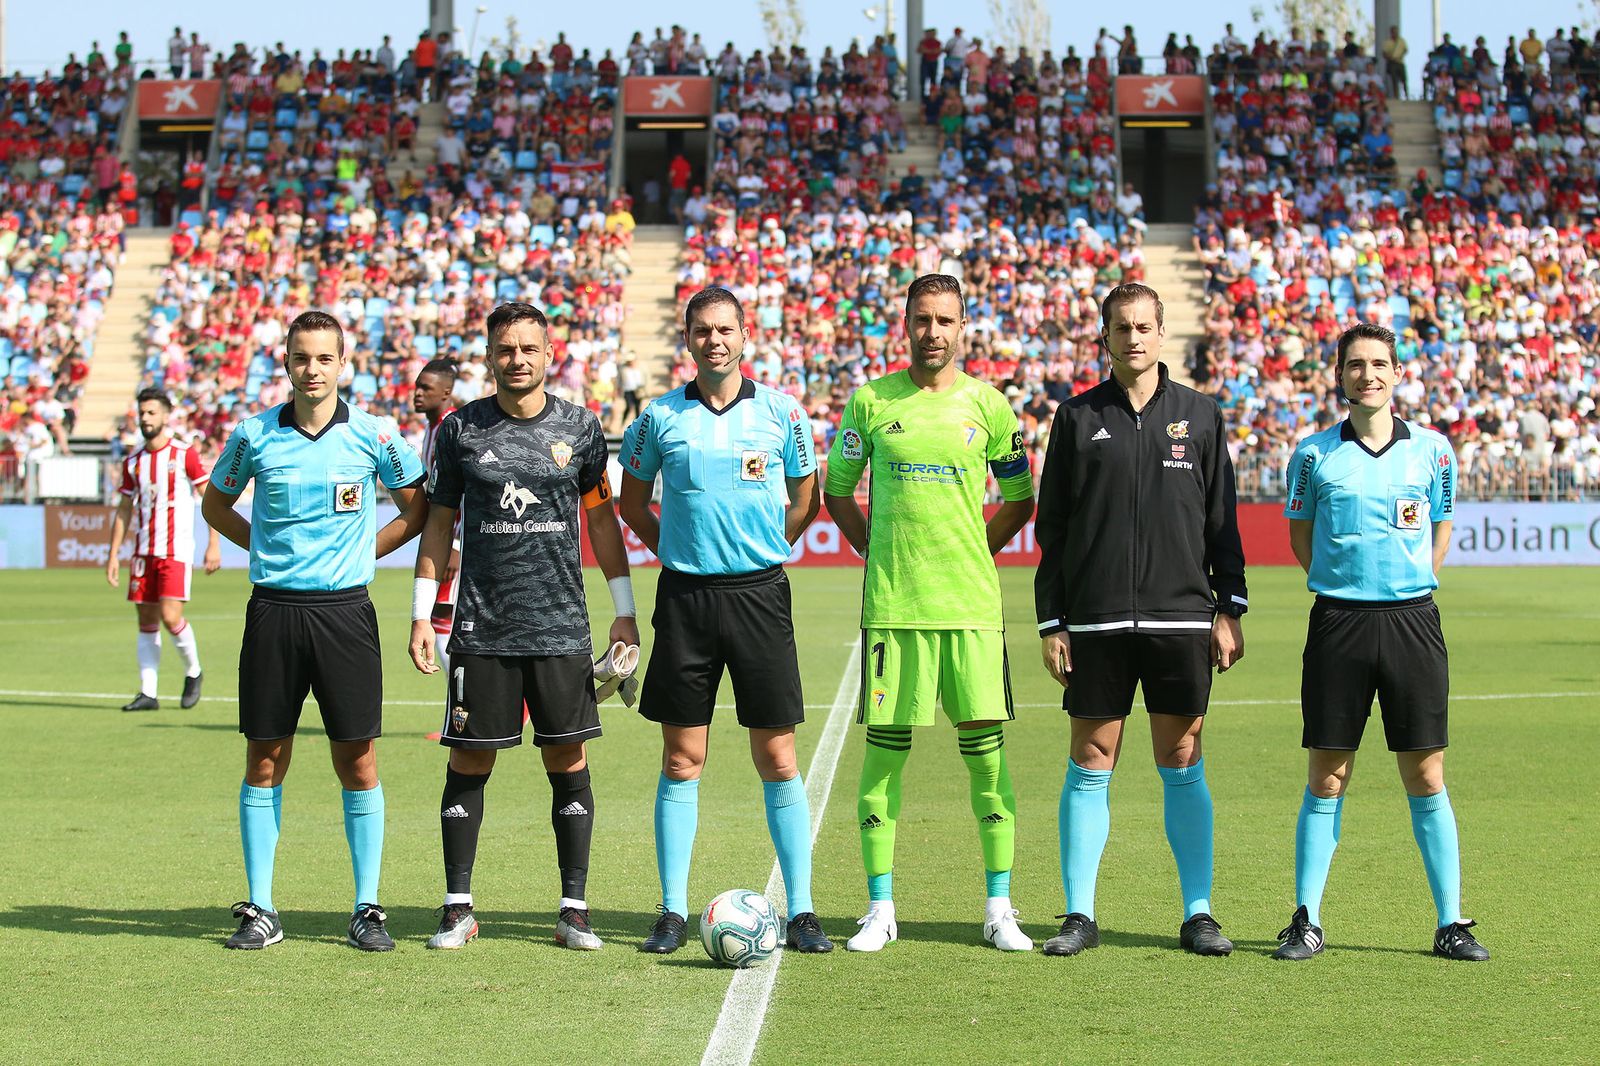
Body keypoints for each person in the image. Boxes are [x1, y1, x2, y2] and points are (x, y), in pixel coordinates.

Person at [408, 302, 639, 952]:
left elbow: (601, 521)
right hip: (481, 630)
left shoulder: (581, 428)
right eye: (505, 349)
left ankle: (574, 910)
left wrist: (623, 609)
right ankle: (457, 908)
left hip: (561, 628)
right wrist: (422, 612)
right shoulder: (460, 430)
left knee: (567, 757)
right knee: (469, 758)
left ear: (548, 354)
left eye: (528, 348)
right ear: (489, 357)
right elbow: (437, 525)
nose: (517, 359)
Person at [823, 273, 1037, 953]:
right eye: (922, 319)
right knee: (884, 762)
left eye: (945, 320)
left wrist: (977, 548)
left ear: (962, 326)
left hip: (970, 609)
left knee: (987, 764)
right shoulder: (870, 401)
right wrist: (870, 548)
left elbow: (1020, 498)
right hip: (894, 610)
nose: (933, 332)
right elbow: (836, 491)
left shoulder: (991, 406)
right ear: (906, 324)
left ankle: (999, 908)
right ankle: (879, 908)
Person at [202, 311, 428, 952]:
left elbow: (418, 510)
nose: (312, 369)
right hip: (273, 610)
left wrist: (363, 552)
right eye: (301, 357)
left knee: (358, 759)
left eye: (324, 358)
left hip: (345, 613)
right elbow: (215, 505)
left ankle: (366, 907)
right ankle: (261, 909)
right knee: (264, 757)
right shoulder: (254, 434)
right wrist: (263, 547)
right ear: (286, 363)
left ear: (342, 364)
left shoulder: (374, 434)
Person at [1033, 281, 1247, 958]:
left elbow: (1222, 521)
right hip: (1095, 620)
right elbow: (1053, 528)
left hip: (1181, 617)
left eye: (1143, 326)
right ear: (1105, 337)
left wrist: (1229, 608)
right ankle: (1079, 914)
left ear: (1161, 333)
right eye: (1121, 328)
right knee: (1091, 758)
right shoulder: (1075, 417)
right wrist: (1052, 621)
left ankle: (1198, 913)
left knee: (1181, 757)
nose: (1133, 338)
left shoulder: (1201, 415)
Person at [618, 286, 832, 955]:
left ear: (745, 335)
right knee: (682, 758)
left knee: (778, 755)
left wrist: (767, 544)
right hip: (685, 600)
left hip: (760, 596)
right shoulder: (658, 417)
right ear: (688, 339)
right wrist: (677, 551)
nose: (714, 340)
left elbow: (806, 497)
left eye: (725, 330)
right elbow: (631, 503)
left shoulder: (782, 412)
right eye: (702, 331)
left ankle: (802, 911)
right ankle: (672, 911)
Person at [1273, 323, 1488, 963]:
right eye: (1355, 365)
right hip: (1338, 623)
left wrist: (1410, 581)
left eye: (1378, 364)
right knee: (1327, 775)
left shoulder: (1434, 451)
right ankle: (1306, 919)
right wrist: (1344, 583)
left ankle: (1451, 922)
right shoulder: (1313, 454)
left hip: (1412, 623)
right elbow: (1301, 535)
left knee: (1425, 773)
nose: (1367, 375)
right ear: (1339, 375)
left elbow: (1441, 526)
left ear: (1397, 373)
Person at [106, 388, 221, 711]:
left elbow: (211, 500)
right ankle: (148, 693)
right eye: (142, 413)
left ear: (166, 416)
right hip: (143, 553)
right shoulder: (133, 462)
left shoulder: (184, 454)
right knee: (146, 618)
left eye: (152, 412)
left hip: (175, 550)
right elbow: (124, 510)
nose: (146, 418)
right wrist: (113, 554)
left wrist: (213, 543)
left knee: (171, 616)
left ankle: (193, 671)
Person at [412, 358, 461, 682]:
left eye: (426, 388)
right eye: (417, 386)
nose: (417, 393)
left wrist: (455, 545)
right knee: (441, 616)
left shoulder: (450, 428)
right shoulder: (432, 428)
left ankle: (463, 701)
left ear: (446, 392)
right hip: (442, 537)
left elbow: (463, 491)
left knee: (442, 616)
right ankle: (460, 701)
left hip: (455, 540)